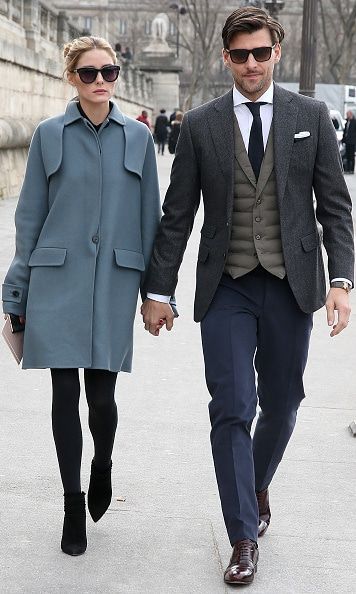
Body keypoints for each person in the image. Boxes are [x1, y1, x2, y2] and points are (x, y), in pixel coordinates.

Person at [141, 7, 354, 586]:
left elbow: (335, 208)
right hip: (226, 286)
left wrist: (341, 282)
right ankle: (241, 535)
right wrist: (157, 290)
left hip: (291, 285)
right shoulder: (202, 124)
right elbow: (177, 214)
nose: (252, 63)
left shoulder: (310, 116)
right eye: (241, 55)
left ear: (277, 53)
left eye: (261, 53)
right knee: (232, 408)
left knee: (283, 404)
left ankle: (255, 484)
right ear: (226, 58)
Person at [2, 36, 160, 556]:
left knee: (103, 398)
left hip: (115, 280)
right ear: (71, 77)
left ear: (117, 76)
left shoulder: (138, 140)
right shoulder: (49, 135)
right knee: (63, 396)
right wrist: (17, 294)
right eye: (88, 73)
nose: (99, 82)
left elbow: (150, 220)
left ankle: (102, 463)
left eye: (109, 72)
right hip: (56, 281)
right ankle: (73, 503)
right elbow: (30, 217)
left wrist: (155, 293)